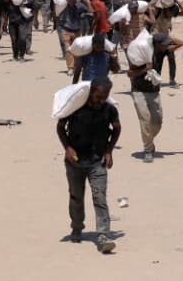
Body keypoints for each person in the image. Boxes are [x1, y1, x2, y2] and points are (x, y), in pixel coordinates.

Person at [56, 77, 121, 253]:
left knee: (100, 197)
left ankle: (103, 235)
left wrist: (109, 151)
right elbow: (60, 127)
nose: (101, 101)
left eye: (104, 97)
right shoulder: (75, 107)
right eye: (98, 97)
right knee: (76, 197)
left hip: (97, 160)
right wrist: (68, 148)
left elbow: (117, 128)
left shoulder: (109, 110)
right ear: (91, 93)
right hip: (75, 161)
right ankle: (77, 227)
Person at [126, 40, 163, 163]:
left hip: (154, 91)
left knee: (157, 121)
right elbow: (129, 73)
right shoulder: (139, 56)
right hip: (138, 91)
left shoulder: (161, 52)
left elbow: (179, 43)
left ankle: (149, 141)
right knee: (145, 119)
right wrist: (144, 69)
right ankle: (148, 150)